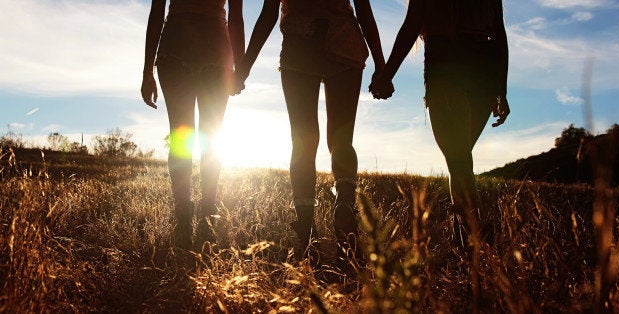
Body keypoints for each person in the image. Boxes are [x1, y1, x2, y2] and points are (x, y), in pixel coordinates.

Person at [369, 0, 510, 307]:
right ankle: (472, 245)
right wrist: (501, 88)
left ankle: (474, 237)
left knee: (458, 159)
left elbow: (411, 25)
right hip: (485, 67)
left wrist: (386, 73)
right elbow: (499, 33)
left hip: (447, 62)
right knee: (460, 160)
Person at [232, 0, 385, 268]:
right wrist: (382, 66)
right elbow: (364, 9)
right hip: (344, 42)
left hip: (300, 45)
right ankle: (345, 205)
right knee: (341, 138)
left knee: (302, 140)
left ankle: (306, 234)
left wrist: (243, 68)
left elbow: (268, 13)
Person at [141, 0, 244, 250]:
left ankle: (188, 220)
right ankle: (200, 219)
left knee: (183, 136)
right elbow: (236, 16)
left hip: (178, 44)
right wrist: (239, 67)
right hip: (213, 48)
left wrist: (147, 72)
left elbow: (156, 13)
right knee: (207, 137)